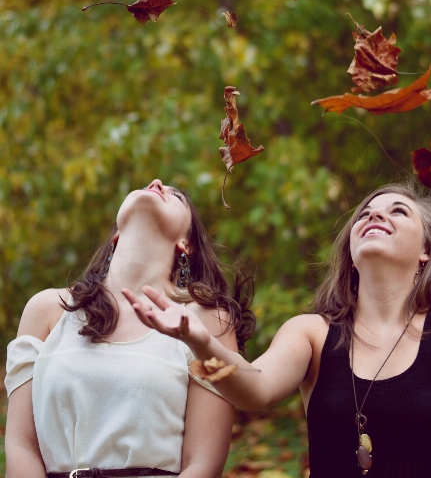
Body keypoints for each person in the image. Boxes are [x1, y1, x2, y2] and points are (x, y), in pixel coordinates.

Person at [124, 183, 431, 478]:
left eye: (398, 211)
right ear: (350, 254)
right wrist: (200, 341)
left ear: (427, 249)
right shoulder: (311, 332)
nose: (375, 216)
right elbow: (254, 388)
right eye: (364, 215)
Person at [4, 179, 254, 478]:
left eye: (176, 196)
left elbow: (202, 463)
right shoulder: (46, 309)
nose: (157, 183)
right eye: (149, 185)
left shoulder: (207, 322)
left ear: (186, 243)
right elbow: (20, 446)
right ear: (116, 235)